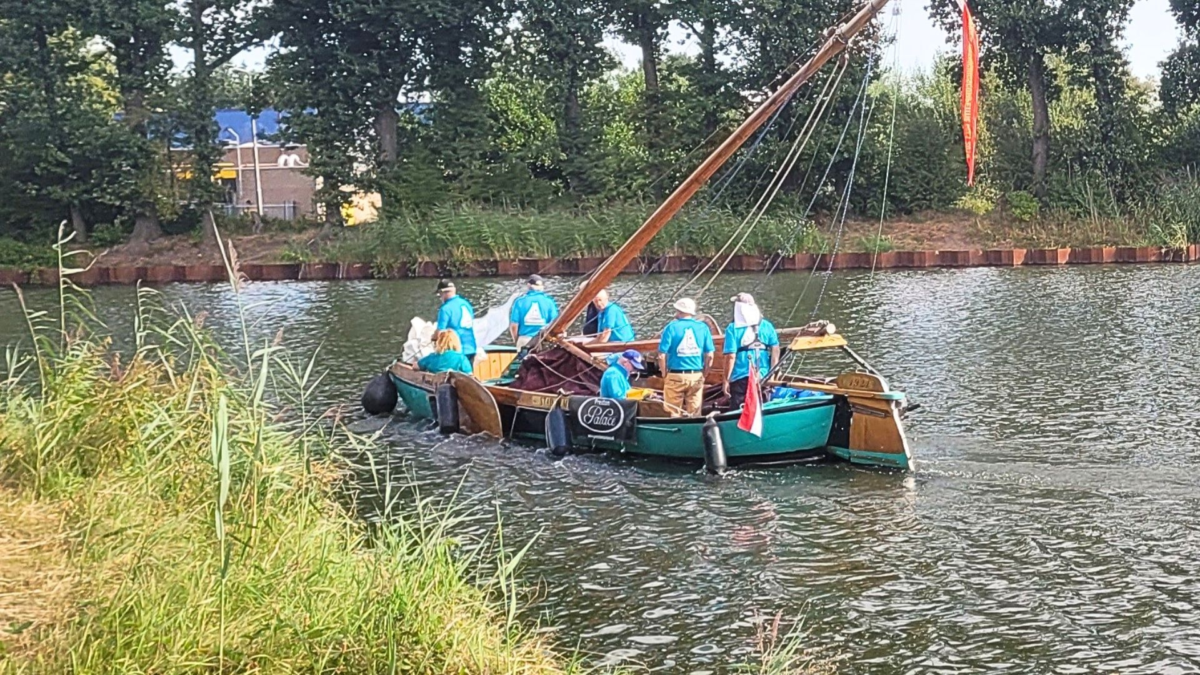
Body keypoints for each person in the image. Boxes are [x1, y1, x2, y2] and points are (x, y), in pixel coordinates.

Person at [657, 298, 715, 417]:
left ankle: (675, 431)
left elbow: (661, 355)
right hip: (696, 374)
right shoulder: (703, 327)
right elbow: (710, 355)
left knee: (672, 411)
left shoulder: (671, 327)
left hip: (675, 374)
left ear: (678, 311)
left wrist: (664, 373)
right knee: (695, 413)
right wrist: (705, 372)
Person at [722, 292, 780, 408]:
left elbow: (730, 357)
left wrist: (726, 380)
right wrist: (772, 374)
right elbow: (775, 350)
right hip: (763, 375)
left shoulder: (733, 328)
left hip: (741, 376)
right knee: (763, 406)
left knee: (740, 409)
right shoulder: (767, 325)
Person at [509, 274, 559, 349]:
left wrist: (516, 340)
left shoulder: (519, 301)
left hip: (525, 339)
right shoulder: (549, 301)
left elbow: (514, 325)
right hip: (543, 340)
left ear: (528, 285)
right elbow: (555, 323)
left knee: (523, 360)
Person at [435, 279, 477, 362]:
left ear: (442, 293)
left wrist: (433, 337)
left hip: (455, 351)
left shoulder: (445, 309)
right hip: (471, 348)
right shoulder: (466, 304)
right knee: (468, 373)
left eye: (440, 294)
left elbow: (440, 332)